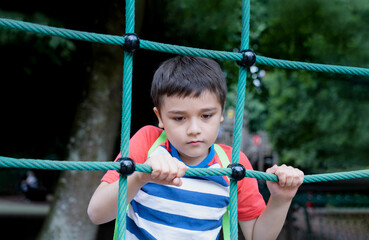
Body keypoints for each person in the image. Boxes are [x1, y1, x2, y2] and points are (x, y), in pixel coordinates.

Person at [87, 55, 304, 240]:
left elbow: (258, 236)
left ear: (221, 114)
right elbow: (96, 213)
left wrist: (281, 199)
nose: (194, 129)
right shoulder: (147, 143)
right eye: (179, 118)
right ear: (160, 117)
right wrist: (140, 177)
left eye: (206, 116)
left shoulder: (233, 164)